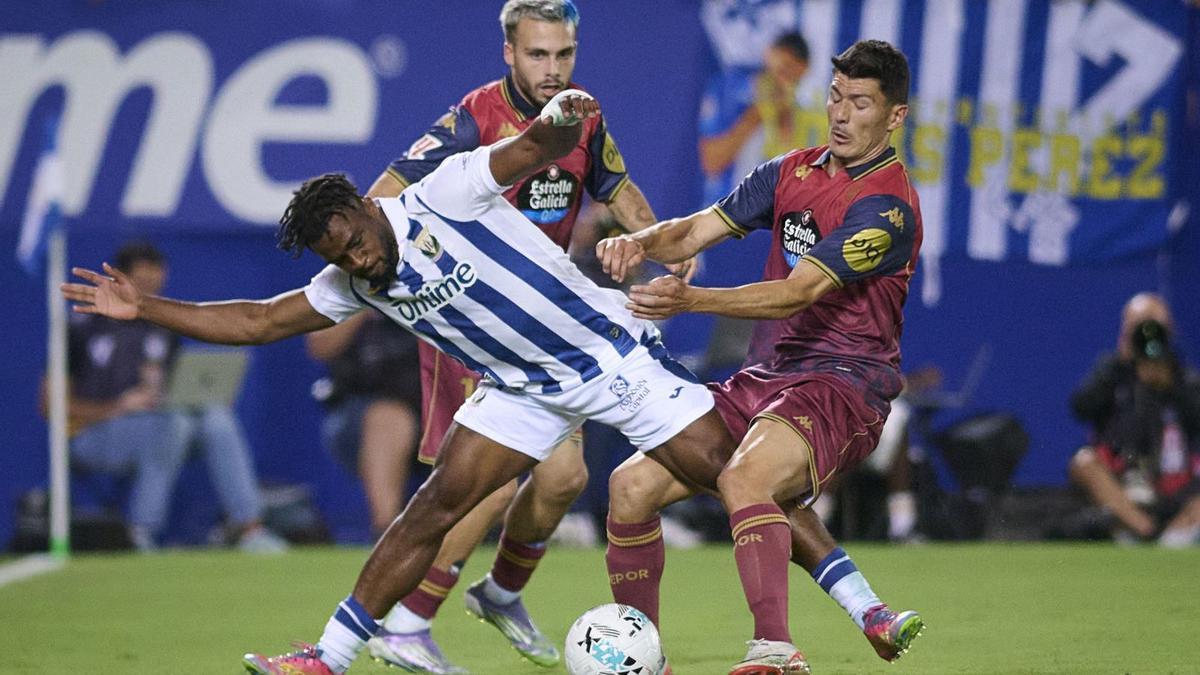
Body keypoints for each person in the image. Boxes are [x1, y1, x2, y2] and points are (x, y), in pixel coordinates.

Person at [62, 91, 728, 675]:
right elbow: (258, 321)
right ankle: (328, 656)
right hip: (520, 387)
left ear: (364, 205)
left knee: (732, 477)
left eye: (353, 240)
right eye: (339, 257)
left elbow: (531, 148)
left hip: (604, 353)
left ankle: (777, 635)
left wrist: (559, 115)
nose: (356, 259)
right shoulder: (354, 280)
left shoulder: (443, 194)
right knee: (431, 509)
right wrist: (145, 308)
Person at [361, 1, 692, 670]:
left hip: (543, 327)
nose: (552, 69)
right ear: (509, 53)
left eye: (563, 54)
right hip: (473, 326)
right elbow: (380, 197)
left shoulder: (582, 114)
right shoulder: (473, 119)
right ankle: (405, 625)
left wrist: (661, 241)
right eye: (538, 54)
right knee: (484, 483)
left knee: (564, 477)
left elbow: (617, 186)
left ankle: (501, 592)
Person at [596, 40, 925, 673]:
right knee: (629, 486)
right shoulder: (788, 172)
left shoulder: (887, 209)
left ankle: (776, 651)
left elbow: (797, 293)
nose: (841, 114)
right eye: (835, 96)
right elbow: (694, 230)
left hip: (843, 383)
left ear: (894, 117)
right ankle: (647, 661)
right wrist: (638, 241)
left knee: (746, 478)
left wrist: (691, 300)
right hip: (768, 377)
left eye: (861, 103)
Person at [59, 241, 287, 553]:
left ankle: (249, 528)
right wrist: (119, 407)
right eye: (141, 284)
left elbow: (172, 391)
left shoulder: (163, 329)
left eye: (155, 284)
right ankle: (140, 532)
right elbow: (50, 404)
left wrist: (195, 396)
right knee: (174, 425)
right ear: (120, 280)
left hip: (161, 425)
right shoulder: (81, 327)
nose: (146, 293)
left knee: (216, 418)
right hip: (91, 435)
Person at [1068, 293, 1200, 547]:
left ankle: (1174, 537)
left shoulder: (1184, 377)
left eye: (1154, 324)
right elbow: (1080, 407)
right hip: (1125, 486)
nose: (1147, 334)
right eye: (1139, 325)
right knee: (1084, 462)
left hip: (1178, 488)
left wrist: (1171, 386)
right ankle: (1146, 530)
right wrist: (1120, 364)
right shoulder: (1112, 371)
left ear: (1170, 330)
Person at [306, 312, 422, 537]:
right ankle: (387, 533)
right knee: (388, 417)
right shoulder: (354, 291)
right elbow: (319, 345)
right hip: (363, 411)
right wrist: (366, 302)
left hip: (445, 407)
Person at [698, 32, 815, 205]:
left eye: (792, 77)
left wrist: (784, 120)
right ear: (769, 54)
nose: (784, 81)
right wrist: (757, 116)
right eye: (782, 69)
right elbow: (712, 162)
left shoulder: (807, 110)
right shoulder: (730, 89)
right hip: (723, 211)